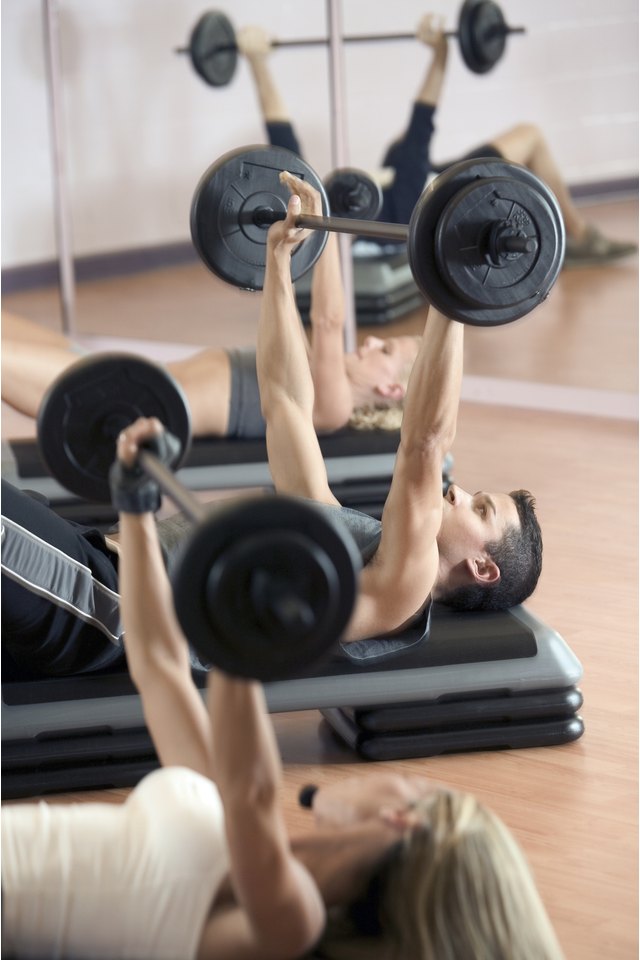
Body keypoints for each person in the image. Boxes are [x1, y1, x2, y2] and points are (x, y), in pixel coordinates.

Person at [1, 416, 566, 959]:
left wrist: (246, 620)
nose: (403, 777)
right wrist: (138, 508)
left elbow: (251, 789)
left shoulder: (289, 917)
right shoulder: (220, 820)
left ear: (402, 819)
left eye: (415, 788)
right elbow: (160, 663)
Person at [1, 172, 542, 679]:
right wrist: (278, 263)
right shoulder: (336, 537)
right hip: (91, 558)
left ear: (482, 568)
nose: (459, 492)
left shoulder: (404, 590)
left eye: (480, 509)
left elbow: (423, 445)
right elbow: (283, 401)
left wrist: (453, 293)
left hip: (104, 601)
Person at [237, 15, 637, 266]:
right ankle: (581, 236)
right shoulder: (402, 186)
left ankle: (578, 232)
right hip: (446, 191)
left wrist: (257, 65)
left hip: (425, 185)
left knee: (514, 136)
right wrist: (440, 55)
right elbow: (422, 119)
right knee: (528, 136)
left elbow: (283, 144)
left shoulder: (329, 210)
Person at [1, 230, 420, 438]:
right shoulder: (312, 372)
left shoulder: (333, 408)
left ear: (390, 389)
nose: (369, 342)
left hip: (126, 405)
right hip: (129, 377)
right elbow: (293, 311)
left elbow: (328, 321)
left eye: (384, 349)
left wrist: (326, 226)